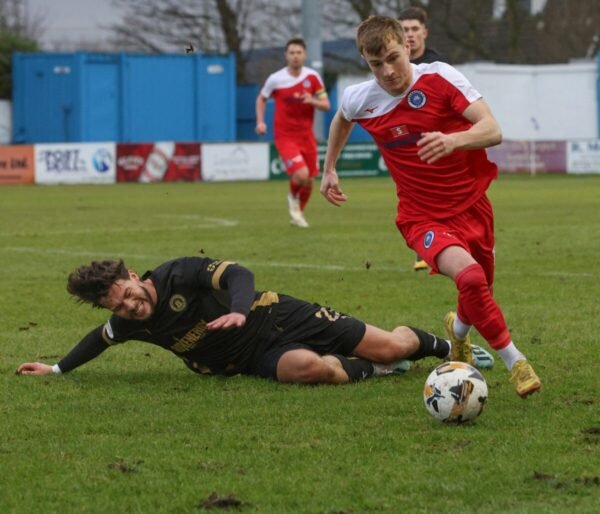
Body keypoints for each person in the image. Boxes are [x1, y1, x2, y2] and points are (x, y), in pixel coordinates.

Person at [320, 16, 541, 398]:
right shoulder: (361, 97)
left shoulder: (440, 78)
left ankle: (458, 335)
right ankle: (515, 362)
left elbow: (493, 129)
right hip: (420, 216)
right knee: (470, 279)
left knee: (479, 289)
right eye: (376, 65)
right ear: (365, 62)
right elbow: (342, 119)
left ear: (408, 46)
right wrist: (329, 169)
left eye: (393, 58)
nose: (387, 71)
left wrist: (455, 140)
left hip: (473, 206)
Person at [16, 256, 493, 383]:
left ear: (135, 277)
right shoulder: (129, 323)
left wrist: (239, 311)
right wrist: (56, 369)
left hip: (277, 314)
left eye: (128, 295)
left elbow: (239, 274)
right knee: (312, 370)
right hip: (253, 359)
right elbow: (96, 341)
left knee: (391, 342)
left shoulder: (180, 273)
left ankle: (441, 345)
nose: (130, 307)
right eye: (118, 307)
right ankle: (381, 370)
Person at [256, 37, 331, 228]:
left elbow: (326, 104)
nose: (295, 56)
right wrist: (260, 122)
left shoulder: (312, 77)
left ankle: (298, 214)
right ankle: (292, 198)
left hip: (307, 136)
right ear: (286, 55)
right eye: (292, 53)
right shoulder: (276, 79)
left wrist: (312, 101)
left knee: (309, 181)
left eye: (299, 53)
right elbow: (261, 99)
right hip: (285, 136)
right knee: (301, 175)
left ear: (304, 55)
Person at [399, 6, 446, 271]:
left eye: (415, 29)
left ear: (424, 32)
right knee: (414, 196)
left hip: (438, 137)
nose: (410, 35)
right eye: (404, 30)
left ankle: (441, 245)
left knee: (440, 193)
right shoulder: (393, 66)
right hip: (407, 143)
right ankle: (426, 247)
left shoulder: (439, 64)